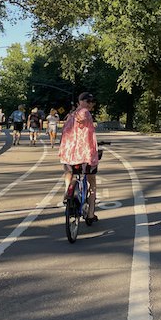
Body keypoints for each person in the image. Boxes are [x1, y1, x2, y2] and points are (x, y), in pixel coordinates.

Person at [59, 92, 100, 226]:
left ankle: (67, 193)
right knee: (91, 181)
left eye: (90, 102)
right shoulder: (85, 113)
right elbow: (83, 119)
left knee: (69, 173)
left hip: (68, 153)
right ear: (82, 102)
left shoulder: (69, 116)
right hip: (85, 154)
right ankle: (90, 214)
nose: (89, 104)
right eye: (88, 102)